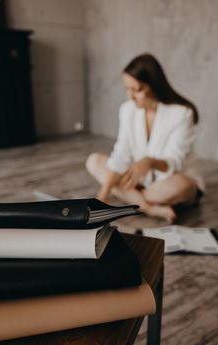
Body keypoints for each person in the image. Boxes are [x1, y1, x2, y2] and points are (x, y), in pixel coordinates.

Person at [86, 54, 204, 223]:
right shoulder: (127, 110)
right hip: (141, 181)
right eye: (128, 89)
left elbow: (174, 161)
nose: (130, 96)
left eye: (137, 90)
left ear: (154, 86)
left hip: (169, 180)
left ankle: (133, 198)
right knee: (94, 161)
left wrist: (149, 162)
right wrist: (102, 195)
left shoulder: (181, 114)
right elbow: (121, 153)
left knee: (184, 186)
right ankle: (148, 207)